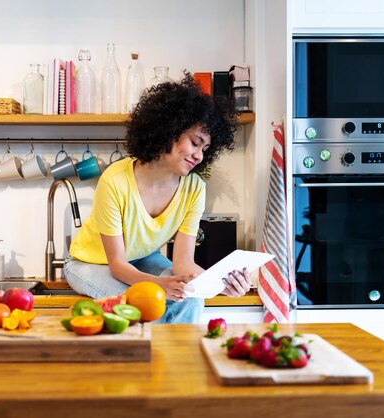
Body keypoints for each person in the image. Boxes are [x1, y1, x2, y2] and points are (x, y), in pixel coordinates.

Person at [64, 72, 252, 323]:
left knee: (191, 295)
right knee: (143, 303)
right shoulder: (115, 180)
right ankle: (155, 360)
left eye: (205, 149)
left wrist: (220, 283)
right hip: (89, 263)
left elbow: (184, 264)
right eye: (195, 143)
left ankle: (179, 360)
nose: (199, 156)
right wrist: (158, 284)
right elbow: (118, 265)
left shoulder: (194, 188)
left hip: (143, 259)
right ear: (169, 131)